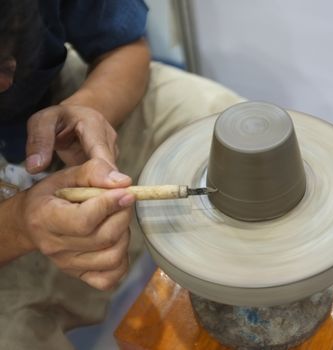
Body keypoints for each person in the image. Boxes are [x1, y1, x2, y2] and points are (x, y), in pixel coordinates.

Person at [0, 1, 241, 348]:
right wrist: (19, 224)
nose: (5, 84)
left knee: (219, 127)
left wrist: (92, 107)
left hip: (57, 96)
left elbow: (124, 45)